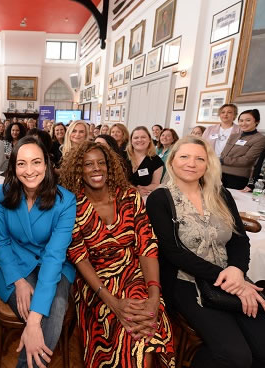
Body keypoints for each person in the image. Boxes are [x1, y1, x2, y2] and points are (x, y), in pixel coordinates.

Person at [146, 136, 265, 368]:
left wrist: (237, 271)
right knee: (234, 356)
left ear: (208, 164)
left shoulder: (221, 194)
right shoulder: (160, 198)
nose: (191, 163)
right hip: (185, 281)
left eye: (200, 158)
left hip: (231, 275)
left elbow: (239, 239)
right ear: (172, 160)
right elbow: (173, 252)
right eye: (184, 156)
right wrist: (228, 279)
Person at [60, 142, 175, 367]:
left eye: (101, 163)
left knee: (145, 327)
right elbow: (79, 256)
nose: (96, 169)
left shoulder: (130, 197)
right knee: (125, 327)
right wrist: (112, 302)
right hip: (95, 281)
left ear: (110, 166)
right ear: (78, 169)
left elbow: (147, 246)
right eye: (88, 164)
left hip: (134, 273)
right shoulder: (72, 205)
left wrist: (154, 296)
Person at [0, 136, 75, 368]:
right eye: (22, 163)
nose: (29, 170)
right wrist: (18, 281)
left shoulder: (65, 201)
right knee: (40, 309)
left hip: (53, 267)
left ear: (47, 165)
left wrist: (32, 325)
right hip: (14, 267)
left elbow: (54, 256)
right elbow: (1, 242)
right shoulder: (2, 194)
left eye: (36, 162)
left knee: (56, 304)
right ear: (13, 167)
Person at [220, 109, 265, 190]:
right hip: (219, 174)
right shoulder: (234, 136)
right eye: (241, 120)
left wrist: (223, 160)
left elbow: (246, 160)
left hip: (238, 177)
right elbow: (223, 154)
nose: (243, 123)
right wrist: (222, 159)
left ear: (257, 122)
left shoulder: (261, 139)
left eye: (248, 120)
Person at [126, 126, 164, 196]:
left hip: (143, 197)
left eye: (143, 137)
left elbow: (155, 184)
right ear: (131, 141)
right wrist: (134, 190)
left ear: (149, 139)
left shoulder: (156, 161)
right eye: (136, 138)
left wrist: (144, 188)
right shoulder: (122, 156)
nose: (139, 140)